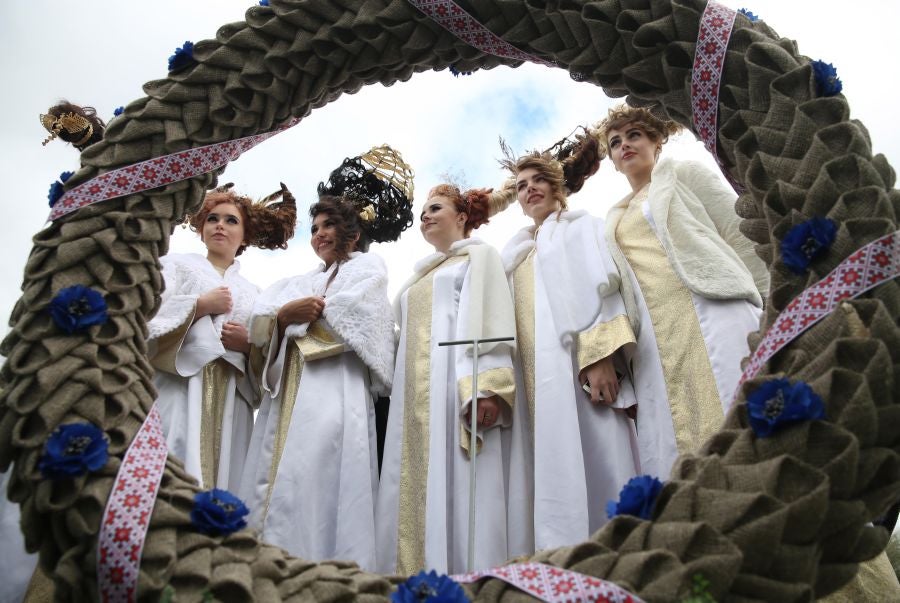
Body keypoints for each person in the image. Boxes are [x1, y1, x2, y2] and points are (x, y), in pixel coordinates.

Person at [239, 146, 413, 571]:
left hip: (335, 389)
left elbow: (352, 319)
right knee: (278, 475)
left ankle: (322, 572)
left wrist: (292, 319)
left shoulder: (368, 268)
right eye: (314, 227)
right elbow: (260, 319)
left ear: (351, 235)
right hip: (289, 393)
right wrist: (285, 317)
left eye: (328, 225)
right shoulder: (298, 280)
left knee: (322, 472)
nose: (318, 234)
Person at [594, 104, 769, 479]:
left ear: (657, 141)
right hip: (656, 339)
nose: (625, 145)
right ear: (610, 158)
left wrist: (770, 308)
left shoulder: (683, 173)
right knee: (675, 439)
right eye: (615, 142)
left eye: (635, 135)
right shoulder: (613, 218)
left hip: (714, 306)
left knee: (737, 404)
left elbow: (739, 233)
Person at [500, 134, 641, 557]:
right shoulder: (515, 255)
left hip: (582, 370)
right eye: (522, 186)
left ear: (556, 186)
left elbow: (601, 288)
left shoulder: (582, 227)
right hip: (535, 384)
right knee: (550, 467)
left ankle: (618, 556)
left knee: (600, 453)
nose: (530, 189)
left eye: (537, 180)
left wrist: (600, 357)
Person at [376, 184, 516, 575]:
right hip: (412, 397)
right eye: (422, 213)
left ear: (461, 218)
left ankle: (468, 578)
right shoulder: (419, 275)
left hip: (453, 387)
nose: (426, 217)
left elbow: (490, 316)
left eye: (435, 208)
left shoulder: (479, 257)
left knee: (458, 481)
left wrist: (485, 388)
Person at [148, 184, 296, 491]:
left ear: (244, 236)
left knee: (227, 476)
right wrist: (198, 306)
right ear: (201, 228)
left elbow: (270, 354)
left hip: (232, 393)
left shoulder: (256, 294)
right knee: (172, 460)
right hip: (182, 381)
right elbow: (148, 314)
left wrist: (248, 345)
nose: (220, 225)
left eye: (232, 221)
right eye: (213, 218)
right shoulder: (175, 265)